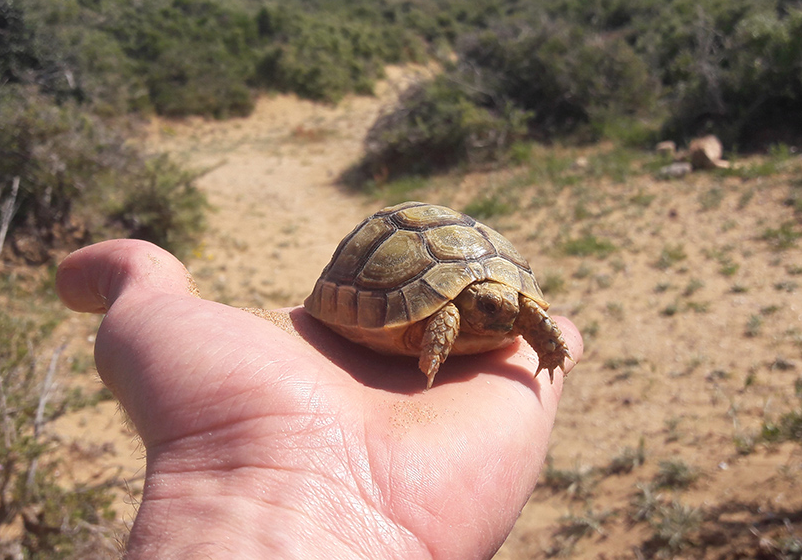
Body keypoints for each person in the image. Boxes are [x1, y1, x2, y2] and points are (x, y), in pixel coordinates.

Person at [56, 239, 583, 559]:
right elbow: (447, 313)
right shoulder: (448, 311)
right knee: (450, 318)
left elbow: (525, 314)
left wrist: (545, 340)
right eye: (487, 307)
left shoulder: (509, 307)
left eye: (509, 307)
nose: (502, 315)